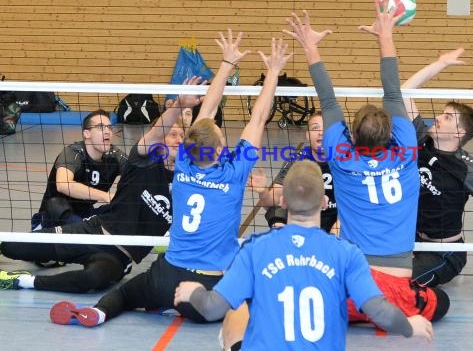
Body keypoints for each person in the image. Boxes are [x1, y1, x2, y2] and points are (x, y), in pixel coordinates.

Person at [48, 32, 291, 326]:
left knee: (125, 295)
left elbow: (208, 109)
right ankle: (186, 309)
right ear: (219, 149)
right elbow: (258, 117)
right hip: (207, 290)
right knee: (253, 296)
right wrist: (274, 72)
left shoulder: (184, 163)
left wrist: (226, 63)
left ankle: (99, 313)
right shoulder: (235, 172)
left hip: (168, 276)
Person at [282, 2, 449, 328]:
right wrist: (385, 34)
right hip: (395, 291)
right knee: (441, 303)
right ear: (392, 133)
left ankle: (357, 312)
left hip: (350, 289)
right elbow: (392, 91)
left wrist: (311, 46)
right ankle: (381, 313)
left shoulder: (342, 158)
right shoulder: (406, 154)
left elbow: (327, 100)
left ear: (351, 135)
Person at [173, 161, 434, 350]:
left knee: (237, 304)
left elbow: (210, 308)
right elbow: (381, 313)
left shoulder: (255, 249)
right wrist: (410, 326)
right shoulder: (346, 253)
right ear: (323, 203)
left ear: (283, 202)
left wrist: (193, 291)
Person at [0, 78, 203, 293]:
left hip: (119, 255)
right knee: (12, 246)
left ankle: (22, 281)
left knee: (93, 279)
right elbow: (63, 184)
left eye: (182, 137)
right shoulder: (142, 161)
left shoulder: (187, 178)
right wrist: (179, 104)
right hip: (92, 230)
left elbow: (207, 128)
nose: (179, 140)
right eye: (172, 134)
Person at [400, 47, 473, 286]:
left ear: (459, 132)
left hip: (445, 252)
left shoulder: (468, 168)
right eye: (442, 113)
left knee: (399, 284)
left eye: (447, 117)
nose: (438, 117)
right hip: (411, 242)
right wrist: (441, 63)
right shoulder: (421, 140)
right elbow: (402, 92)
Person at [31, 109, 127, 232]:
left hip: (84, 215)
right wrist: (106, 196)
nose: (107, 131)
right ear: (87, 133)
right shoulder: (73, 153)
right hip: (54, 216)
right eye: (101, 127)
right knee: (55, 204)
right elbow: (63, 185)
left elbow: (138, 178)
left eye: (109, 127)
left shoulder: (115, 156)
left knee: (121, 208)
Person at [254, 111, 339, 233]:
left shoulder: (342, 161)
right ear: (308, 135)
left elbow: (352, 203)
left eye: (325, 128)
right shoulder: (297, 159)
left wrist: (337, 229)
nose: (320, 132)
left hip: (334, 221)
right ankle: (285, 241)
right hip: (303, 221)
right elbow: (274, 198)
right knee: (276, 209)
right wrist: (263, 192)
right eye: (315, 128)